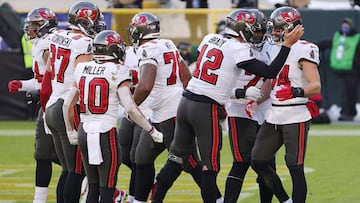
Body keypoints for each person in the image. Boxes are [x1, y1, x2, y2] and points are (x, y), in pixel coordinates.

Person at [152, 8, 303, 203]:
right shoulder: (239, 49)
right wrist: (288, 45)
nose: (257, 35)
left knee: (176, 158)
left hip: (186, 103)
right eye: (254, 30)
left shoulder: (210, 38)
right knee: (210, 167)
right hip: (206, 108)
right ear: (242, 29)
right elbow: (271, 71)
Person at [127, 12, 223, 203]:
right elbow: (186, 76)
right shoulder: (168, 44)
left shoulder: (147, 50)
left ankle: (217, 199)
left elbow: (146, 84)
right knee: (141, 157)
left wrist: (131, 105)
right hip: (163, 112)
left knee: (191, 163)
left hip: (171, 114)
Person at [62, 29, 163, 203]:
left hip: (84, 130)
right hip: (105, 133)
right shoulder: (118, 70)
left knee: (93, 187)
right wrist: (151, 129)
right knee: (107, 189)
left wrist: (70, 130)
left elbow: (66, 104)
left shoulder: (81, 68)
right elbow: (130, 108)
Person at [250, 6, 321, 203]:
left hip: (296, 114)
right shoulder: (274, 48)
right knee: (258, 160)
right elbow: (270, 82)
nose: (274, 33)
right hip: (273, 113)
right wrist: (256, 100)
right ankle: (284, 199)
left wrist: (297, 91)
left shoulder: (306, 48)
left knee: (294, 166)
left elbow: (315, 85)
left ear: (291, 27)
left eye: (278, 29)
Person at [40, 2, 105, 202]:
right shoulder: (84, 43)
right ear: (85, 20)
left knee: (68, 170)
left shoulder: (57, 36)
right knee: (76, 171)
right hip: (69, 107)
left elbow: (49, 68)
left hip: (52, 105)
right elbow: (81, 80)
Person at [7, 7, 59, 203]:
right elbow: (42, 79)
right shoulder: (40, 44)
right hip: (47, 104)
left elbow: (56, 78)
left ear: (46, 26)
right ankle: (39, 200)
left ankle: (92, 184)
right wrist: (22, 85)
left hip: (58, 105)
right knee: (42, 154)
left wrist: (42, 92)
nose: (30, 29)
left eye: (35, 25)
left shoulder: (47, 44)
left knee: (67, 157)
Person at [223, 8, 275, 203]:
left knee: (268, 162)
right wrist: (244, 97)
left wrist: (258, 101)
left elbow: (270, 79)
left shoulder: (268, 47)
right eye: (256, 31)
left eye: (262, 31)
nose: (260, 35)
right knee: (242, 161)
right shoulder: (230, 47)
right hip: (238, 107)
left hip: (263, 107)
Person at [316, 17, 360, 121]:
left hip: (352, 70)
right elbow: (324, 43)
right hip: (340, 69)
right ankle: (346, 113)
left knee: (350, 93)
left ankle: (349, 113)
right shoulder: (337, 37)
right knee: (344, 92)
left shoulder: (356, 38)